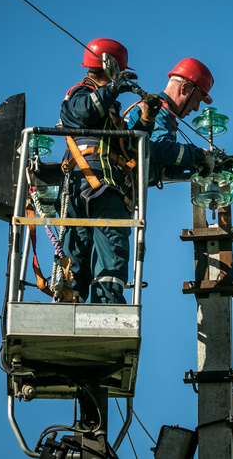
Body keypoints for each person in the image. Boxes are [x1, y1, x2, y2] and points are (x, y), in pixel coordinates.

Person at [58, 38, 155, 304]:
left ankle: (87, 303)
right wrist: (113, 89)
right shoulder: (79, 93)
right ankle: (95, 307)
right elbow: (81, 114)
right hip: (95, 186)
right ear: (108, 67)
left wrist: (147, 120)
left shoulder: (110, 110)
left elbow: (130, 150)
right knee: (101, 247)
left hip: (95, 187)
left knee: (88, 247)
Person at [126, 58, 216, 185]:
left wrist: (192, 163)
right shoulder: (158, 110)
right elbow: (159, 148)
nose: (196, 108)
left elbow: (163, 163)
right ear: (184, 89)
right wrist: (199, 155)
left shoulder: (158, 111)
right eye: (197, 100)